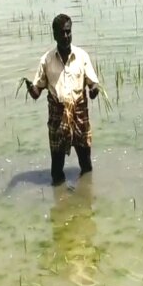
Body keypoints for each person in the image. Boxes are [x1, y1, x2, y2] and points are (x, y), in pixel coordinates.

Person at [23, 14, 100, 185]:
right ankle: (60, 191)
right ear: (55, 35)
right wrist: (30, 88)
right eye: (62, 33)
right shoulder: (47, 60)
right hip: (58, 116)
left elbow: (92, 83)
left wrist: (94, 90)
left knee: (85, 163)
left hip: (80, 114)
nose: (66, 36)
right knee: (57, 167)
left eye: (68, 32)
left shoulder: (81, 56)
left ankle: (84, 194)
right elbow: (37, 92)